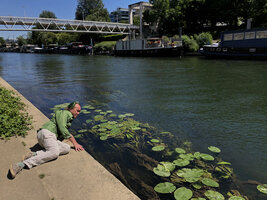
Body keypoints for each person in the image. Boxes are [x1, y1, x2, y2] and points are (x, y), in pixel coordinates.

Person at [9, 101, 84, 179]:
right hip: (48, 134)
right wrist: (75, 143)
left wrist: (64, 137)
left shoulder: (65, 115)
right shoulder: (66, 113)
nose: (78, 113)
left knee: (67, 148)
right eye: (77, 110)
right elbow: (63, 128)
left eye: (79, 111)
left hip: (44, 137)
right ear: (71, 109)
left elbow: (63, 130)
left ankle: (33, 154)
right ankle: (20, 165)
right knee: (54, 153)